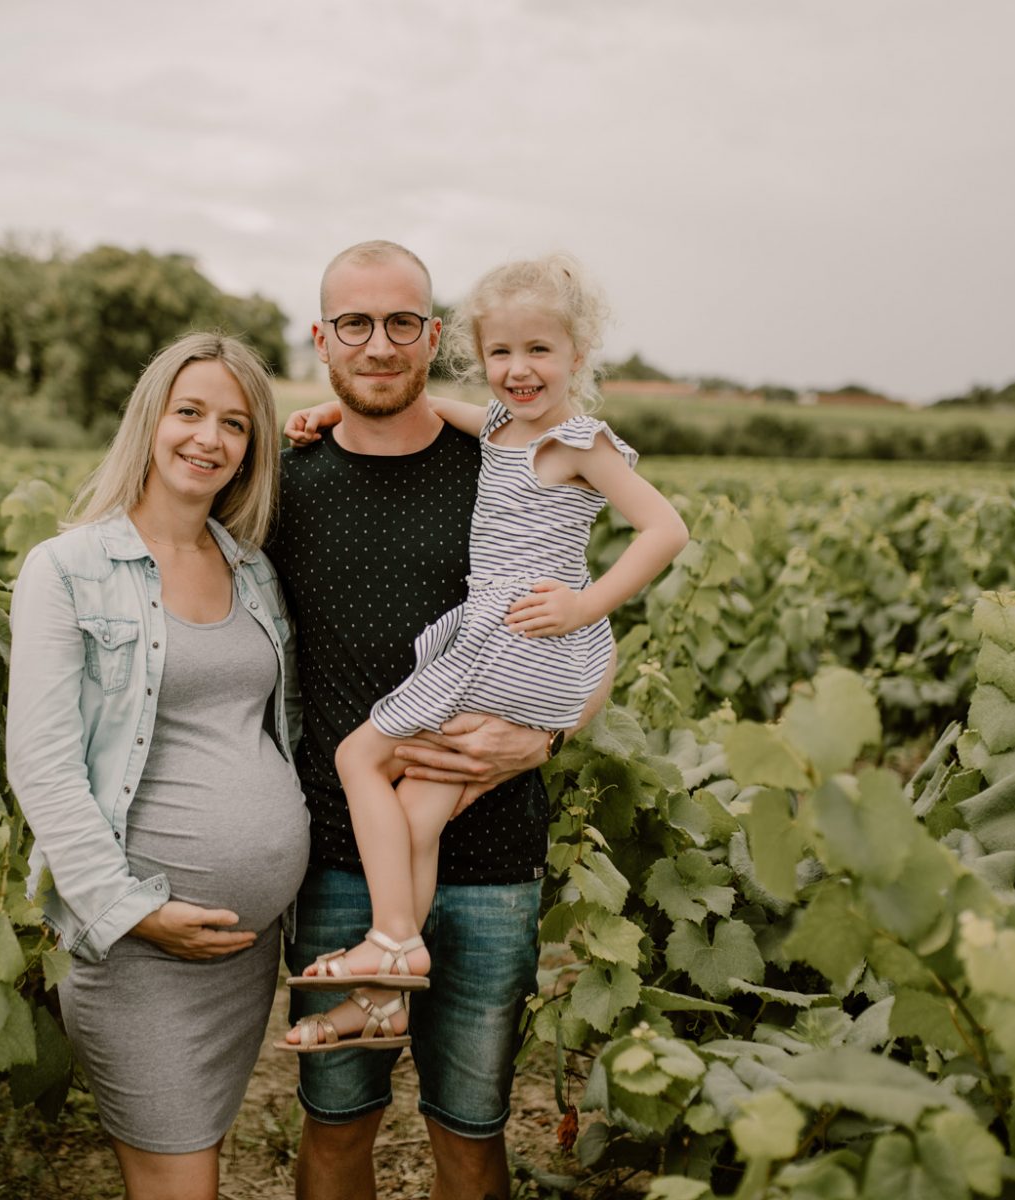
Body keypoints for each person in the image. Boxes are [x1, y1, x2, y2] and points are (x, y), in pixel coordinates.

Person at [262, 242, 631, 1200]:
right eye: (354, 323)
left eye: (399, 323)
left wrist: (546, 738)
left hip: (494, 858)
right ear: (322, 338)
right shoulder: (283, 483)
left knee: (470, 1136)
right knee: (338, 1129)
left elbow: (601, 637)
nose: (377, 345)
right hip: (341, 858)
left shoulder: (504, 463)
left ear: (433, 336)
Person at [5, 332, 307, 1200]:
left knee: (193, 1158)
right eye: (190, 412)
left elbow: (261, 732)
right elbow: (43, 765)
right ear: (151, 418)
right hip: (135, 948)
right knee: (178, 1180)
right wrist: (132, 910)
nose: (208, 439)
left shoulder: (251, 569)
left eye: (235, 425)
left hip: (241, 956)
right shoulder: (66, 570)